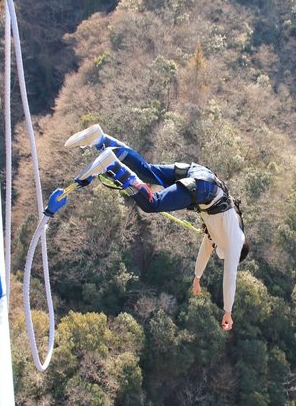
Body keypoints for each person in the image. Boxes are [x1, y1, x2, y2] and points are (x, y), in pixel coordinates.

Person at [45, 129, 248, 331]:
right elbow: (230, 276)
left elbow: (205, 250)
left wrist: (197, 277)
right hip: (204, 189)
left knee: (148, 172)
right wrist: (228, 311)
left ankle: (100, 139)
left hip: (203, 175)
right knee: (153, 203)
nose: (216, 249)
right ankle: (112, 165)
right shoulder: (235, 243)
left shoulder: (225, 232)